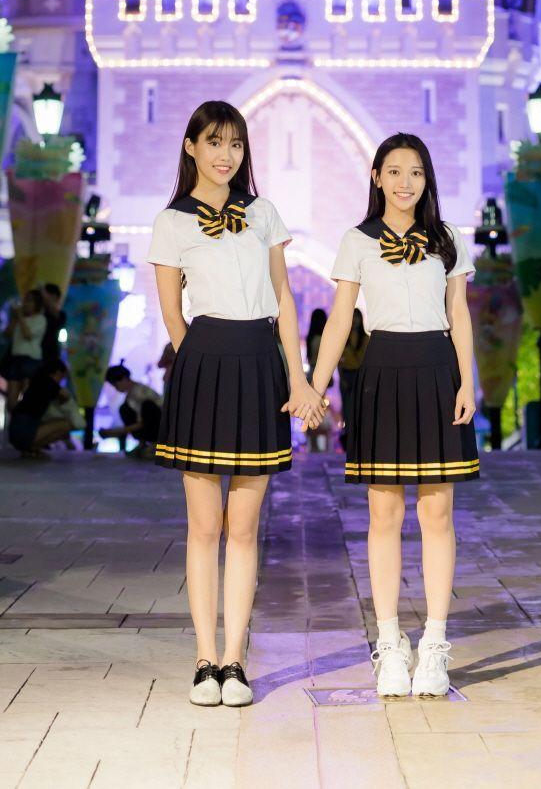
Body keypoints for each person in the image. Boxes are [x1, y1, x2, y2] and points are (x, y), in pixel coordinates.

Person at [148, 99, 326, 708]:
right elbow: (172, 313)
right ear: (191, 147)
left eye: (235, 144)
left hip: (260, 364)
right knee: (204, 527)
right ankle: (204, 661)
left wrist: (298, 379)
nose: (225, 155)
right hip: (204, 363)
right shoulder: (171, 222)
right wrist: (197, 364)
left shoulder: (263, 213)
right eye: (214, 142)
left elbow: (284, 298)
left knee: (244, 527)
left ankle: (236, 661)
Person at [306, 132, 477, 700]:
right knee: (383, 514)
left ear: (427, 180)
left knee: (437, 513)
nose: (406, 183)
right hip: (381, 371)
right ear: (377, 177)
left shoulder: (447, 239)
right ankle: (388, 643)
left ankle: (435, 645)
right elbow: (339, 321)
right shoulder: (356, 240)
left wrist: (468, 382)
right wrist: (315, 388)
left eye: (417, 173)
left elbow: (459, 313)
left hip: (437, 372)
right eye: (396, 171)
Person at [8, 360, 74, 458]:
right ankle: (32, 448)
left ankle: (30, 450)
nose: (60, 381)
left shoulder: (38, 380)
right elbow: (66, 396)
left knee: (60, 427)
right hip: (24, 430)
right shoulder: (49, 382)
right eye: (61, 377)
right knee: (67, 425)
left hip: (16, 430)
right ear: (57, 372)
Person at [101, 363, 162, 454]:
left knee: (147, 406)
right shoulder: (130, 394)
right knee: (124, 409)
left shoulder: (140, 392)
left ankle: (155, 444)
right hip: (149, 426)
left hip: (162, 428)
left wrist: (115, 432)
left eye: (115, 385)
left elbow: (143, 423)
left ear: (124, 379)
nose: (116, 388)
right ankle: (143, 443)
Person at [3, 289, 47, 410]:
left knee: (28, 396)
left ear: (36, 304)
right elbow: (6, 334)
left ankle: (25, 419)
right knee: (11, 399)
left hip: (31, 360)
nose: (25, 303)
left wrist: (20, 317)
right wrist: (15, 319)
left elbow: (27, 335)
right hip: (16, 358)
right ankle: (14, 417)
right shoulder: (18, 319)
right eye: (25, 300)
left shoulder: (40, 319)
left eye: (29, 301)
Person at [336, 309, 368, 451]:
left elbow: (365, 359)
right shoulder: (345, 337)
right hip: (346, 374)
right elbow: (339, 360)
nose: (355, 320)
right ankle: (349, 437)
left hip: (359, 374)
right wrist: (341, 377)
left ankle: (359, 438)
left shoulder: (365, 338)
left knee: (360, 408)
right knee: (347, 408)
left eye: (357, 317)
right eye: (353, 317)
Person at [39, 283, 67, 363]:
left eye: (47, 295)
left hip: (52, 352)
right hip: (37, 351)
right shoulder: (40, 312)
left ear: (54, 296)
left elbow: (54, 313)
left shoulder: (61, 315)